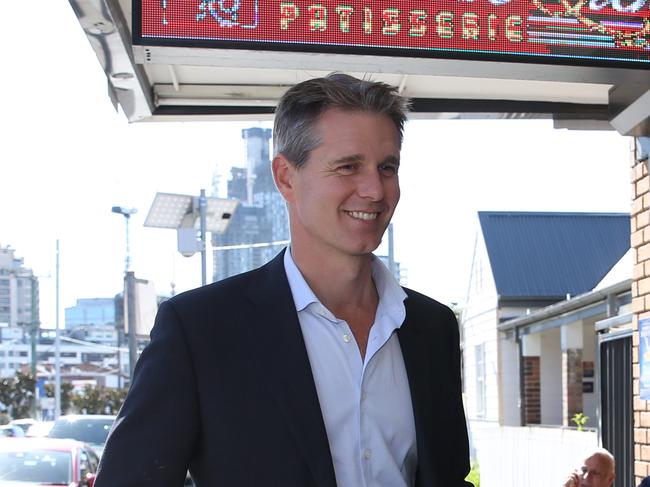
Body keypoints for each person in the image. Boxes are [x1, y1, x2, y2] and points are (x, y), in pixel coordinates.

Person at [94, 73, 472, 487]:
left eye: (387, 167)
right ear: (286, 177)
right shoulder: (201, 329)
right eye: (348, 167)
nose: (374, 190)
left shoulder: (432, 327)